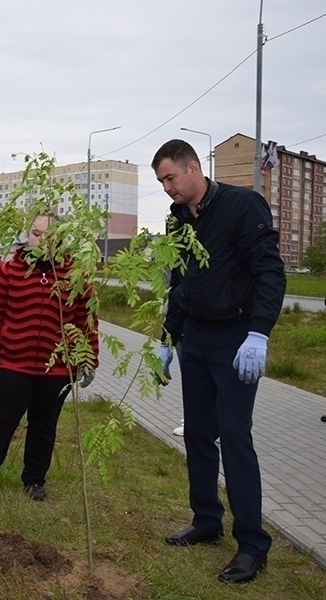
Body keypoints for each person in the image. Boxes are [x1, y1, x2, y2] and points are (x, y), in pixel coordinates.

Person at [153, 139, 285, 584]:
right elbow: (181, 285)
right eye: (161, 182)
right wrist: (168, 339)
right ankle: (206, 520)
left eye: (171, 178)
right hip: (197, 339)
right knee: (198, 434)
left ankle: (252, 544)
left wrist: (258, 333)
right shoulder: (177, 223)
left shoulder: (243, 206)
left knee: (233, 435)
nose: (167, 188)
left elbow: (270, 271)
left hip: (237, 338)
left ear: (193, 168)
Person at [0, 214, 98, 502]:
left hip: (57, 368)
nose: (41, 240)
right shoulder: (10, 272)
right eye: (35, 233)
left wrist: (88, 358)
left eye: (49, 235)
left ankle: (34, 480)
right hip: (12, 365)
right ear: (27, 235)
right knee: (0, 422)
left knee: (44, 426)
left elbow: (87, 319)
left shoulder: (74, 275)